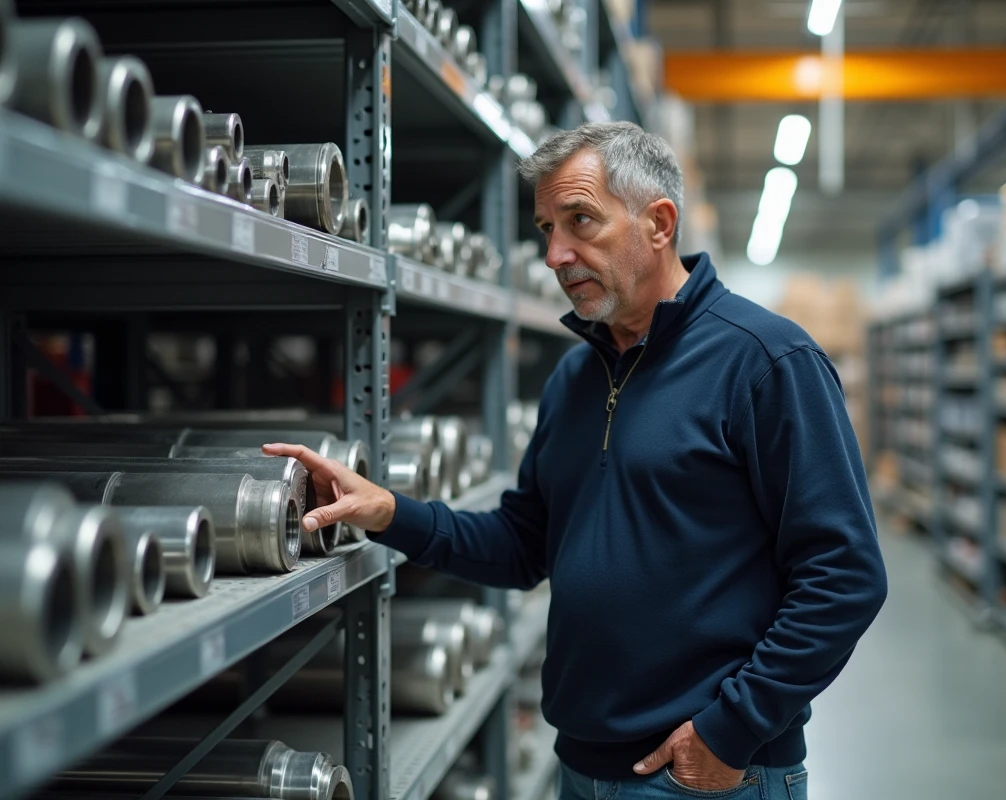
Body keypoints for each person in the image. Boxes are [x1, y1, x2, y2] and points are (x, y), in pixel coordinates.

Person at [265, 121, 887, 800]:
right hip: (583, 764)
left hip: (704, 773)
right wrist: (391, 513)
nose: (557, 255)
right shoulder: (575, 378)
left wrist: (733, 728)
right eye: (546, 229)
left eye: (581, 221)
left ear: (659, 223)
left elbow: (845, 574)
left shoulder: (766, 362)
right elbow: (524, 544)